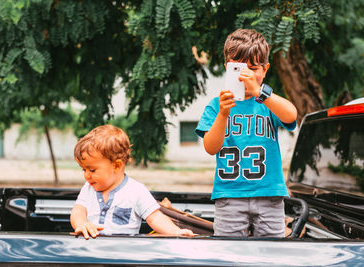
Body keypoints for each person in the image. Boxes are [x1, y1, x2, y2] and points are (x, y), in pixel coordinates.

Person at [195, 29, 298, 237]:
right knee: (227, 253)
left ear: (265, 69)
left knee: (272, 254)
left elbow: (291, 115)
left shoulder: (267, 101)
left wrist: (260, 92)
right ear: (227, 68)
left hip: (269, 193)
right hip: (229, 194)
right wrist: (224, 113)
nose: (246, 75)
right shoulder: (217, 105)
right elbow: (210, 147)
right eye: (239, 68)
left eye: (253, 68)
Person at [70, 124, 194, 239]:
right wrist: (82, 224)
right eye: (83, 170)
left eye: (92, 170)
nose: (86, 175)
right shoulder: (88, 188)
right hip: (90, 252)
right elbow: (78, 211)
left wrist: (175, 231)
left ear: (116, 166)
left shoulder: (136, 191)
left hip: (124, 254)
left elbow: (155, 218)